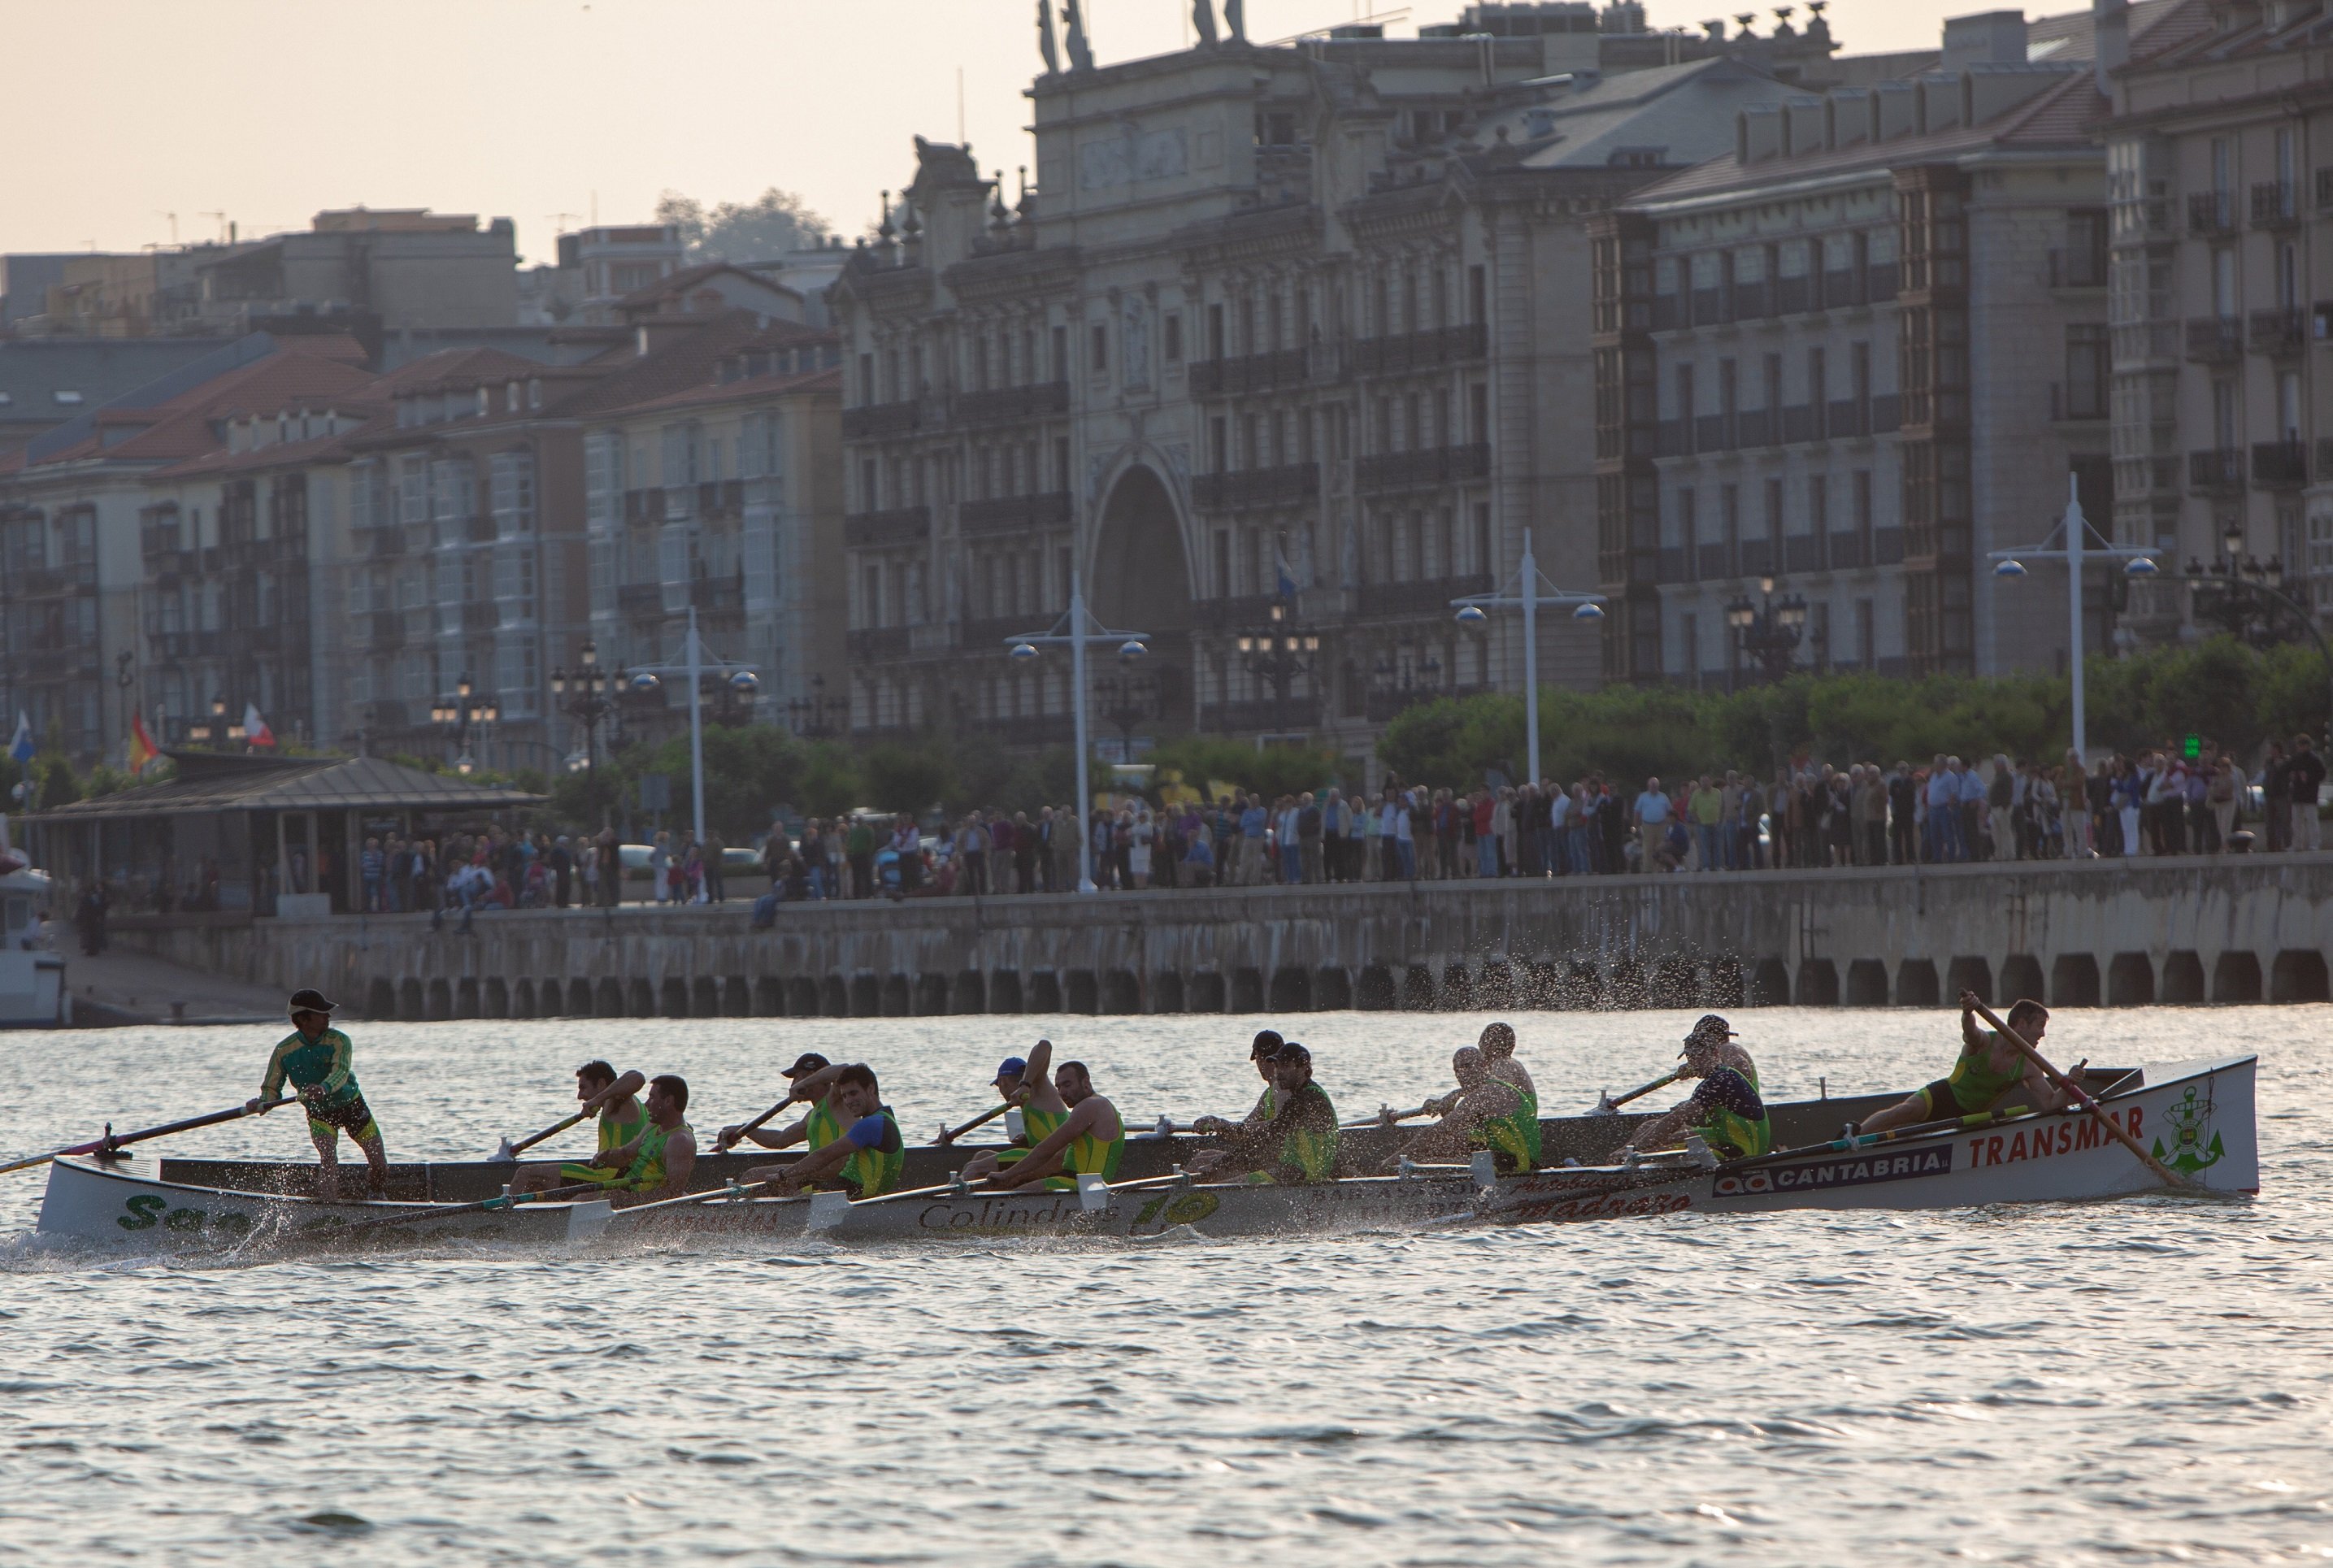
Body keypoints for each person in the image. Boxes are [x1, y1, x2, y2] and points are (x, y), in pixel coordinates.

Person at [1858, 992, 2074, 1136]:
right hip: (1945, 1095)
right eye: (2040, 1025)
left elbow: (2051, 1105)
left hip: (1972, 1117)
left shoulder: (2029, 1067)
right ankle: (1853, 1136)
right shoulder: (1985, 1041)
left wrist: (2070, 1083)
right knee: (1901, 1112)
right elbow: (1970, 1032)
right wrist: (1968, 1011)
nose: (2043, 1034)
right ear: (2021, 1024)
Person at [246, 988, 389, 1200]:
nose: (328, 1017)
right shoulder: (284, 1051)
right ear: (303, 1019)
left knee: (380, 1165)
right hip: (319, 1113)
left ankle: (376, 1195)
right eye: (321, 1013)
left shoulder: (340, 1041)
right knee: (329, 1159)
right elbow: (271, 1089)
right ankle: (328, 1212)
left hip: (351, 1106)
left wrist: (323, 1088)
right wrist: (262, 1103)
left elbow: (340, 1072)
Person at [962, 1039, 1125, 1191]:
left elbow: (1047, 1150)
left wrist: (1008, 1174)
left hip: (1086, 1187)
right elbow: (1059, 1154)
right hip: (1079, 1182)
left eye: (1067, 1085)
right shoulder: (1094, 1107)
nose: (1062, 1092)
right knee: (1012, 1188)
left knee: (1014, 1195)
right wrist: (1016, 1175)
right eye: (1059, 1087)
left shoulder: (1090, 1105)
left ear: (1086, 1083)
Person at [1605, 1014, 1770, 1163]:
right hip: (1727, 1136)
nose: (1694, 1063)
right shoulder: (1713, 1080)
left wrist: (1635, 1150)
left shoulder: (1722, 1074)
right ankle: (1624, 1161)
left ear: (1715, 1052)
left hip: (1742, 1151)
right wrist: (1631, 1148)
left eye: (1699, 1056)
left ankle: (1625, 1169)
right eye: (1691, 1058)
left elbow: (1675, 1120)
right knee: (1651, 1131)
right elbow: (1679, 1117)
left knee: (1655, 1149)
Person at [744, 1063, 904, 1199]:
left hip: (849, 1193)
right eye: (845, 1096)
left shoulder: (871, 1124)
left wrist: (783, 1175)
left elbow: (824, 1156)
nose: (848, 1101)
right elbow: (780, 1139)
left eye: (853, 1093)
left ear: (871, 1089)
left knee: (782, 1190)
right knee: (786, 1189)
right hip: (849, 1191)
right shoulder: (887, 1118)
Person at [1188, 1041, 1337, 1184]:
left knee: (1224, 1185)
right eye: (1277, 1067)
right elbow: (1264, 1135)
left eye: (1285, 1066)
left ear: (1303, 1068)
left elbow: (1269, 1136)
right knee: (1220, 1179)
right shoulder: (1298, 1097)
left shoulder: (1309, 1098)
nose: (1279, 1073)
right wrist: (1224, 1161)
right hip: (1291, 1169)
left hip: (1300, 1173)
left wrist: (1222, 1163)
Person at [1387, 1045, 1541, 1174]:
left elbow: (1435, 1133)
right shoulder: (1486, 1092)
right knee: (1446, 1145)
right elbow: (1456, 1127)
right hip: (1505, 1157)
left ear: (1483, 1066)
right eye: (1457, 1070)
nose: (1461, 1074)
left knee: (1417, 1161)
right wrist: (1445, 1106)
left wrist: (1390, 1161)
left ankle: (1386, 1172)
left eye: (1467, 1066)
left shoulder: (1488, 1093)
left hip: (1518, 1165)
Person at [509, 1060, 647, 1195]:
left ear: (601, 1084)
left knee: (525, 1173)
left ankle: (505, 1215)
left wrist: (597, 1099)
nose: (580, 1096)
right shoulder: (631, 1104)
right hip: (614, 1173)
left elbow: (637, 1077)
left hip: (609, 1175)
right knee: (540, 1184)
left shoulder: (617, 1101)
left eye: (583, 1088)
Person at [571, 1074, 697, 1204]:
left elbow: (673, 1193)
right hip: (628, 1190)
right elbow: (626, 1154)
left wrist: (627, 1199)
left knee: (582, 1203)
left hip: (642, 1204)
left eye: (652, 1098)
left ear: (668, 1101)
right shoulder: (653, 1126)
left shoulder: (680, 1141)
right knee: (578, 1200)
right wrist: (607, 1157)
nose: (647, 1104)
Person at [715, 1052, 836, 1153]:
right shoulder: (812, 1116)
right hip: (819, 1174)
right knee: (753, 1174)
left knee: (752, 1175)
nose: (793, 1085)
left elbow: (844, 1069)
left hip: (836, 1177)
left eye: (797, 1077)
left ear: (811, 1076)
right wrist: (744, 1129)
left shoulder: (839, 1103)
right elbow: (779, 1140)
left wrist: (807, 1083)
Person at [1191, 1029, 1284, 1136]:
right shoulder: (1269, 1093)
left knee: (1205, 1154)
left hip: (1282, 1152)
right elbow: (1245, 1127)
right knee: (1208, 1154)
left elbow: (1279, 1125)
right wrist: (1216, 1122)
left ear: (1258, 1058)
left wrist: (1224, 1125)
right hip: (1271, 1150)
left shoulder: (1280, 1088)